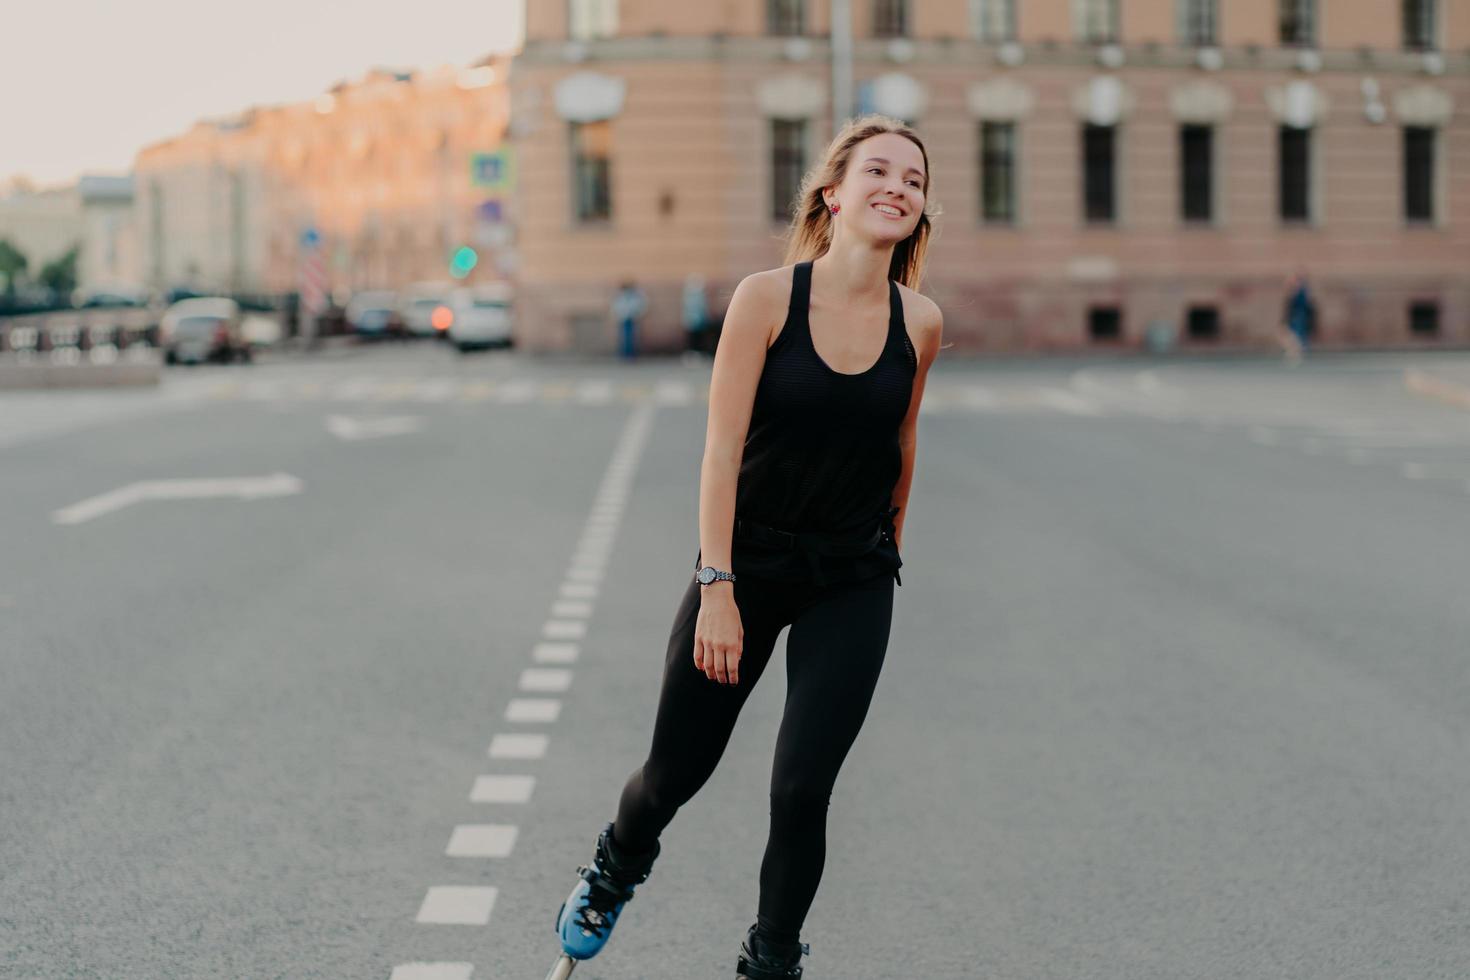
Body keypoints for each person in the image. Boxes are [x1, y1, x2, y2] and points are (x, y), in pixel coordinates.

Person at [552, 115, 944, 979]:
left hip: (852, 576)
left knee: (802, 791)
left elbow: (902, 443)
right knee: (672, 775)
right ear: (833, 193)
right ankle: (617, 864)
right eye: (879, 171)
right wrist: (718, 586)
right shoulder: (768, 300)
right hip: (748, 565)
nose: (898, 188)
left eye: (913, 180)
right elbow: (722, 451)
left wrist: (888, 549)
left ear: (920, 210)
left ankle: (770, 960)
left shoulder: (920, 322)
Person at [1279, 271, 1314, 366]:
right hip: (1295, 318)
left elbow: (1304, 306)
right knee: (1290, 336)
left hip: (1298, 318)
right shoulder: (1298, 292)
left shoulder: (1301, 292)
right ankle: (1294, 355)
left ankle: (1295, 355)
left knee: (1295, 337)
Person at [612, 280, 647, 360]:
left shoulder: (636, 295)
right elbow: (617, 306)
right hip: (623, 318)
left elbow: (640, 305)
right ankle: (624, 354)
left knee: (632, 337)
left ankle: (631, 354)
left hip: (632, 318)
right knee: (624, 338)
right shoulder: (620, 295)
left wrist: (637, 314)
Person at [682, 272, 711, 361]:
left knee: (699, 337)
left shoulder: (699, 295)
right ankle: (692, 354)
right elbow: (692, 308)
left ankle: (698, 353)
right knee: (693, 338)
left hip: (699, 320)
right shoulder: (691, 295)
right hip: (693, 320)